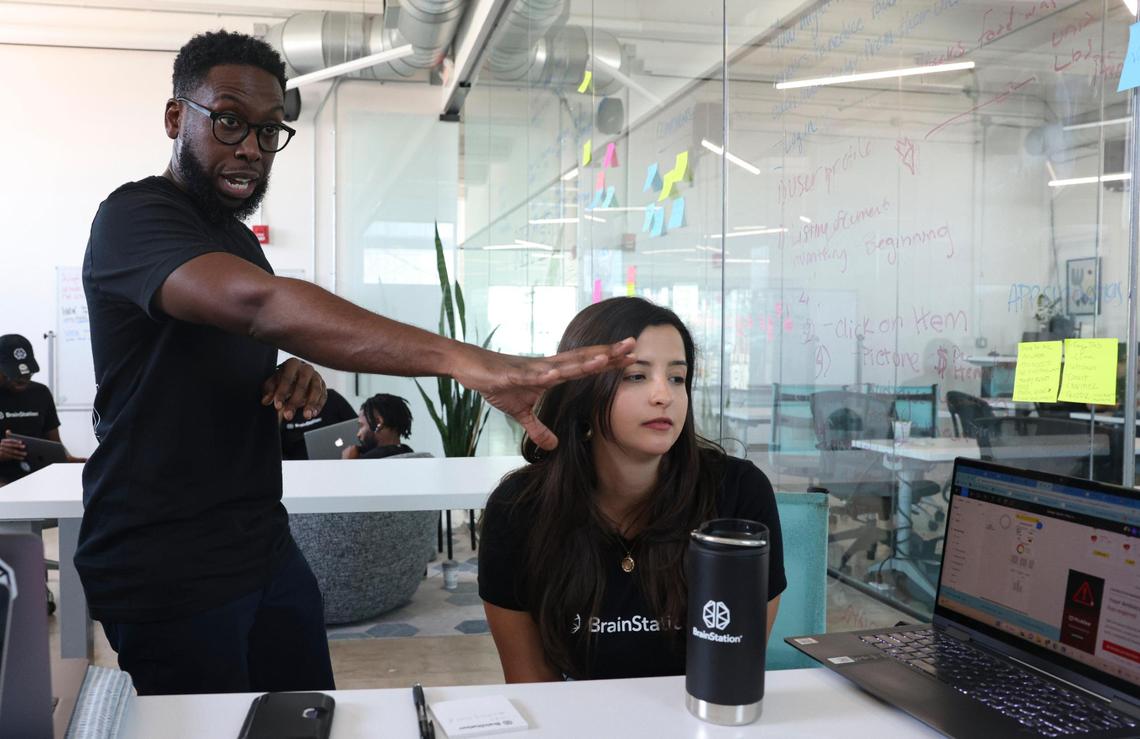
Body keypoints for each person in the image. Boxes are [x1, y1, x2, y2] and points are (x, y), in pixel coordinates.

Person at [79, 30, 634, 696]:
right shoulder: (133, 217)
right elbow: (257, 305)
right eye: (228, 120)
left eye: (268, 131)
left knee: (312, 712)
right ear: (176, 117)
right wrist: (462, 360)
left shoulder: (233, 241)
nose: (251, 148)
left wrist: (292, 374)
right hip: (165, 559)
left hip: (260, 542)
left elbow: (238, 333)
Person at [478, 297, 785, 682]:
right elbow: (532, 684)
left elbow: (735, 669)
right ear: (584, 391)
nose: (664, 395)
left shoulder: (738, 493)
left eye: (677, 377)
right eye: (636, 376)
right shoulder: (519, 510)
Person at [0, 334, 83, 486]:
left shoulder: (41, 393)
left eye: (27, 373)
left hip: (38, 480)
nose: (23, 379)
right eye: (14, 373)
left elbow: (54, 444)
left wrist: (68, 463)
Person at [279, 387, 356, 460]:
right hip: (296, 468)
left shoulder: (331, 398)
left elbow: (357, 428)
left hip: (338, 463)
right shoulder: (280, 412)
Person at [342, 393, 414, 460]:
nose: (358, 434)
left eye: (361, 426)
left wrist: (348, 462)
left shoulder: (370, 459)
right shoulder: (408, 452)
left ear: (378, 422)